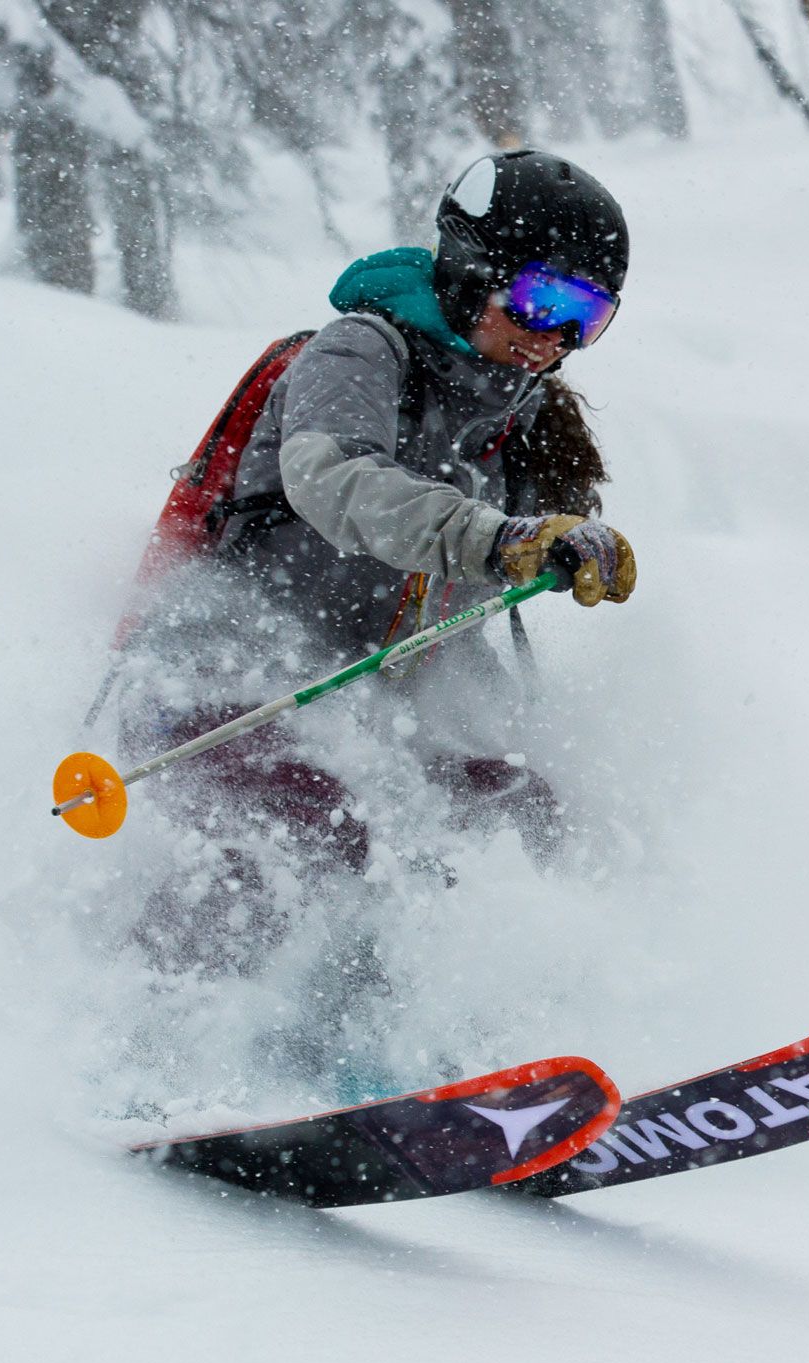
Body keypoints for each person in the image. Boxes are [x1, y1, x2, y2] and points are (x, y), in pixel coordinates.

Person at [120, 148, 636, 1001]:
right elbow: (336, 481)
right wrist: (497, 537)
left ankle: (477, 1038)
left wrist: (571, 545)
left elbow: (457, 610)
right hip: (214, 685)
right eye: (548, 298)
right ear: (474, 269)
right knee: (314, 828)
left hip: (360, 709)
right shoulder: (358, 352)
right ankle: (158, 1044)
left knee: (519, 813)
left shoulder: (517, 413)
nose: (558, 337)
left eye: (591, 316)